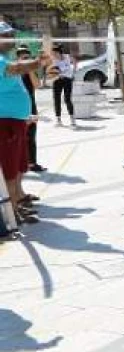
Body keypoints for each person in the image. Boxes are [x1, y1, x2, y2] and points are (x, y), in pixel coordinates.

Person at [1, 25, 51, 226]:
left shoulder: (5, 58)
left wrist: (24, 115)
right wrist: (39, 62)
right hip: (6, 125)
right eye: (6, 35)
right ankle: (12, 214)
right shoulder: (2, 61)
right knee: (10, 170)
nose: (11, 38)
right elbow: (17, 69)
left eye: (11, 35)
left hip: (14, 121)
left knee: (19, 167)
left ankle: (17, 205)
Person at [16, 48, 46, 174]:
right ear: (18, 59)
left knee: (31, 136)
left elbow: (37, 85)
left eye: (28, 58)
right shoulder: (13, 71)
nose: (26, 60)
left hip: (31, 106)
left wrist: (30, 70)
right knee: (16, 137)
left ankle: (32, 163)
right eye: (23, 58)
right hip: (16, 108)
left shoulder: (31, 71)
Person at [50, 45, 76, 127]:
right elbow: (50, 71)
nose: (53, 55)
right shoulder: (53, 61)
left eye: (54, 53)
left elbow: (74, 61)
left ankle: (72, 118)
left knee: (67, 99)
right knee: (56, 99)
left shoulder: (67, 57)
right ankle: (58, 119)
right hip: (57, 80)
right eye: (53, 54)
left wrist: (73, 72)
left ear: (59, 52)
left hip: (67, 79)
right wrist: (55, 74)